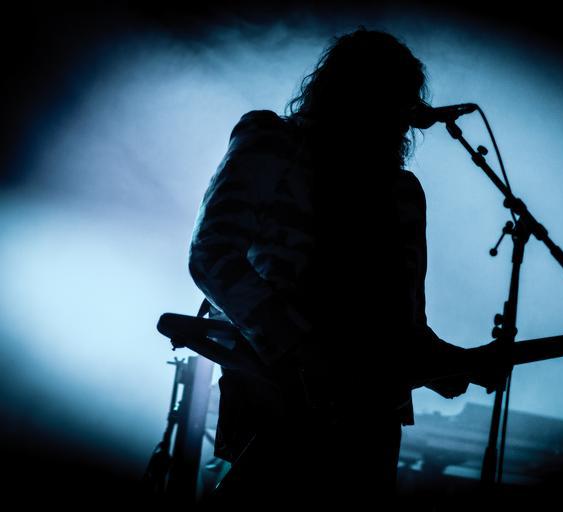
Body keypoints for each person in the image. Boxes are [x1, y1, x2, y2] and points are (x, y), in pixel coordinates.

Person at [187, 28, 503, 507]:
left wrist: (448, 362)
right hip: (274, 395)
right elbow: (212, 256)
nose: (401, 119)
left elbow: (405, 324)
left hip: (370, 422)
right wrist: (302, 352)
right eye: (389, 96)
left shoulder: (402, 194)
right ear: (353, 94)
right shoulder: (274, 143)